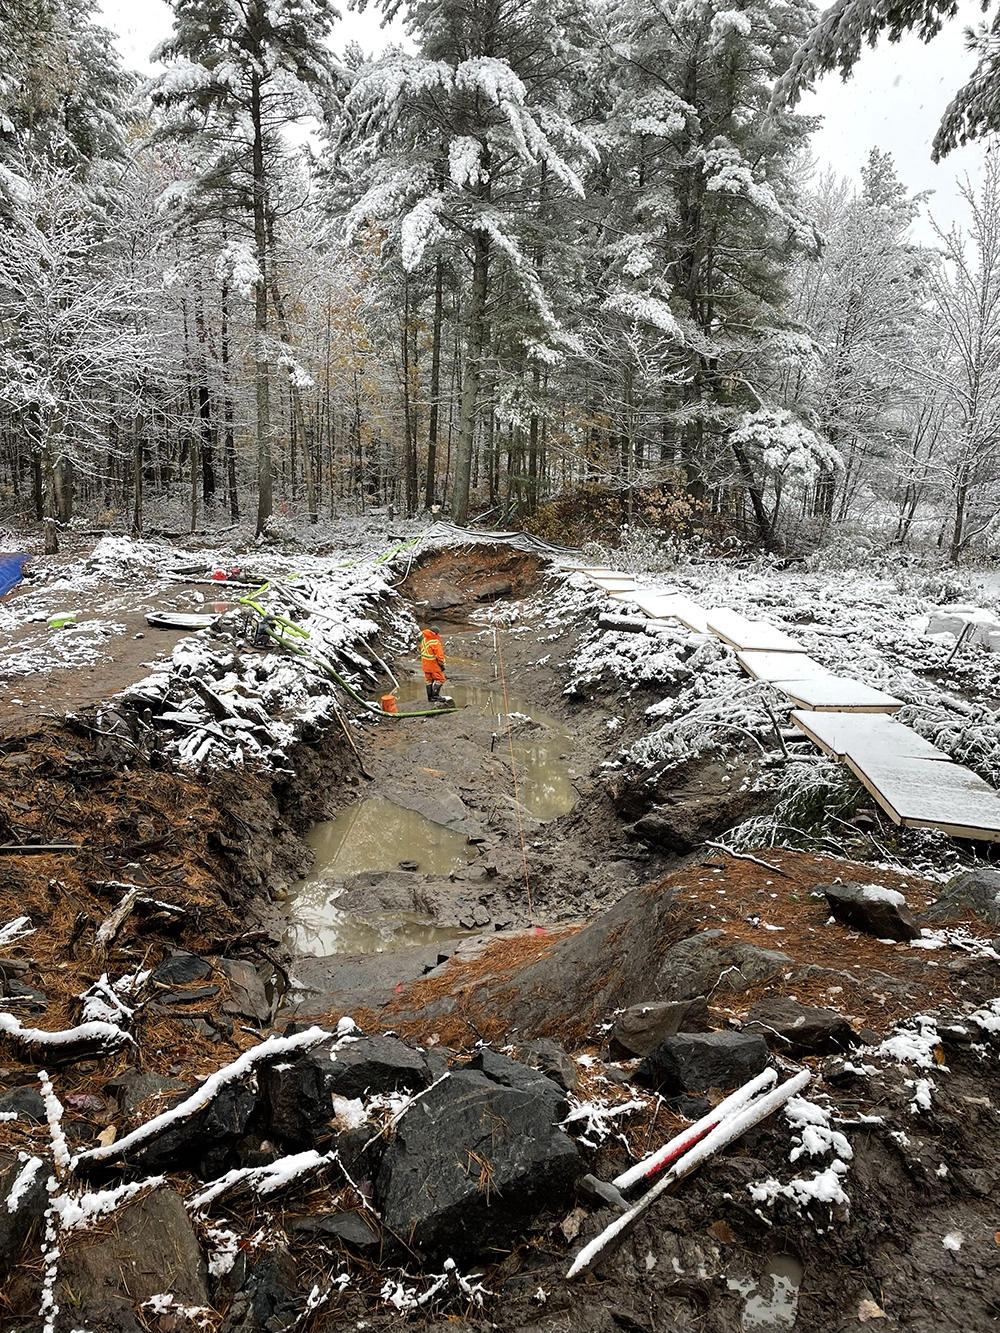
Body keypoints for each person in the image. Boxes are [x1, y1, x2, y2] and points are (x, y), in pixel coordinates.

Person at [420, 623, 446, 701]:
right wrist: (442, 665)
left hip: (425, 665)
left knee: (429, 680)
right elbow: (440, 655)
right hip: (434, 665)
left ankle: (430, 697)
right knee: (440, 679)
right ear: (436, 633)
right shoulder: (435, 642)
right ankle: (436, 696)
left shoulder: (424, 640)